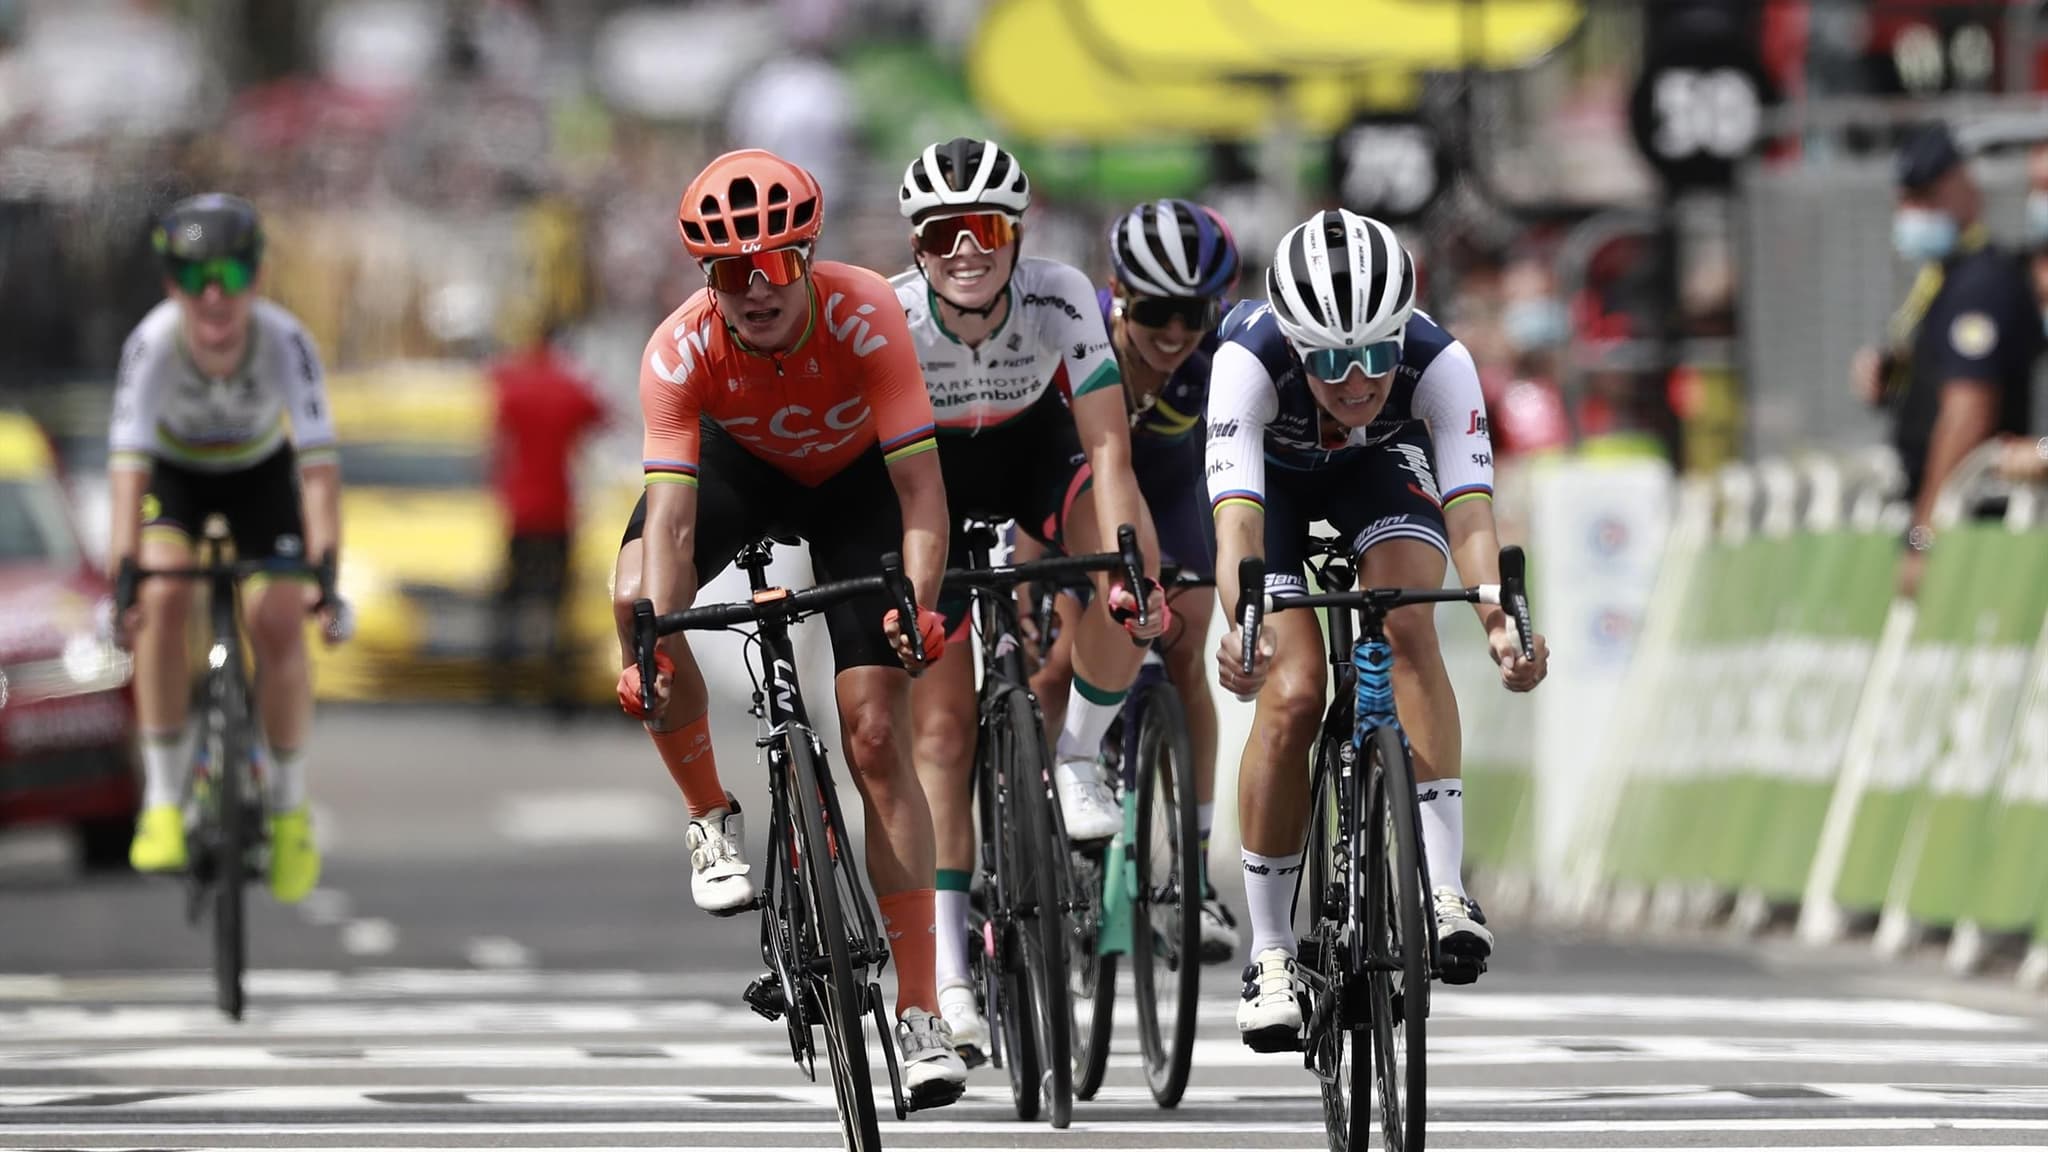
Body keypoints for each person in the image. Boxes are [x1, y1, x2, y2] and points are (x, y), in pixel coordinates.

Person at [606, 149, 966, 1108]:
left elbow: (922, 491)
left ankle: (923, 1008)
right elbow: (674, 524)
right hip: (743, 470)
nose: (754, 289)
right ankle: (707, 815)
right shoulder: (679, 352)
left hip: (857, 487)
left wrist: (918, 606)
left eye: (773, 267)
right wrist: (652, 640)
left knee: (876, 736)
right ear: (706, 280)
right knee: (630, 587)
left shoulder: (865, 313)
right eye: (730, 273)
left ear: (806, 259)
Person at [1205, 209, 1550, 1052]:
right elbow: (1238, 534)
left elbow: (1472, 515)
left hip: (1376, 475)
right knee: (1290, 697)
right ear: (1296, 343)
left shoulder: (1442, 363)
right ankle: (1273, 952)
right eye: (1329, 362)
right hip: (1273, 495)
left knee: (1405, 624)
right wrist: (1245, 630)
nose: (1357, 381)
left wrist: (1501, 623)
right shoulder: (1246, 364)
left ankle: (1441, 887)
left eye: (1374, 355)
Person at [889, 138, 1170, 1064]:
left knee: (1131, 565)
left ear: (1016, 235)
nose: (966, 251)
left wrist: (1125, 564)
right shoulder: (892, 318)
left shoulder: (1061, 297)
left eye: (986, 230)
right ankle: (952, 976)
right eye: (942, 235)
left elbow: (1110, 450)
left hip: (1032, 453)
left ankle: (1082, 752)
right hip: (929, 481)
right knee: (937, 734)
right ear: (919, 248)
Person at [1012, 198, 1244, 965]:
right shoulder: (1070, 342)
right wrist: (1026, 567)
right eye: (1155, 312)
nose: (1176, 333)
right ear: (1120, 293)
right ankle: (1029, 833)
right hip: (1076, 497)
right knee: (1050, 668)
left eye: (1194, 313)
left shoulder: (1216, 361)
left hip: (1172, 501)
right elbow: (1031, 462)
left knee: (1185, 652)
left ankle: (1195, 876)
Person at [111, 193, 346, 904]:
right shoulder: (152, 345)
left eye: (234, 277)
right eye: (195, 277)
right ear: (170, 283)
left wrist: (324, 572)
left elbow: (318, 469)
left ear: (258, 277)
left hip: (259, 477)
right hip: (177, 479)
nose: (215, 296)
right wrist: (124, 577)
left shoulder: (285, 340)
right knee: (163, 594)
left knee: (276, 618)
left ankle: (286, 810)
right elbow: (127, 470)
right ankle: (160, 797)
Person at [1850, 123, 2041, 595]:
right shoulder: (1944, 278)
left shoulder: (1980, 284)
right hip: (1948, 513)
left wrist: (1923, 536)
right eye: (1907, 200)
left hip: (1973, 524)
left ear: (1960, 192)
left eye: (1925, 199)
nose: (1911, 214)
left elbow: (1966, 415)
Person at [488, 318, 608, 717]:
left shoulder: (512, 383)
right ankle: (557, 694)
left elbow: (495, 441)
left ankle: (502, 689)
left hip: (520, 508)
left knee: (513, 599)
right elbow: (603, 418)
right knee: (557, 603)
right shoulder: (569, 387)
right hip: (559, 509)